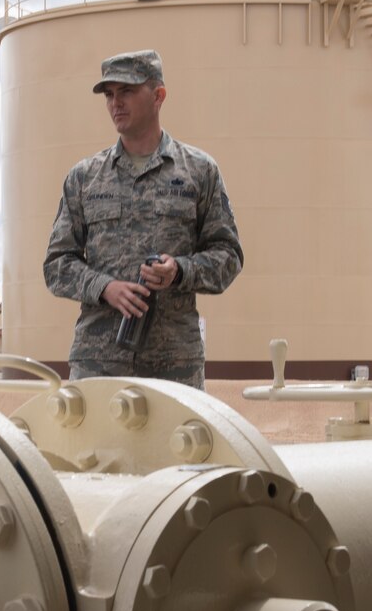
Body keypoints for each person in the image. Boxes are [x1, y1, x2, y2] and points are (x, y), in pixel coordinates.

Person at [41, 49, 243, 388]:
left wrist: (180, 271)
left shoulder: (199, 171)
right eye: (110, 95)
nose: (116, 103)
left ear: (158, 96)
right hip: (100, 364)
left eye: (128, 91)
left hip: (175, 364)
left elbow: (229, 256)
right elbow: (56, 265)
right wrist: (105, 288)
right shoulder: (84, 177)